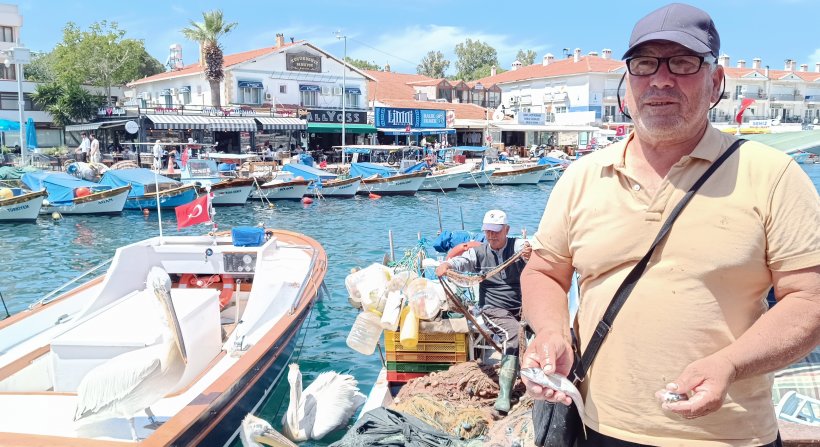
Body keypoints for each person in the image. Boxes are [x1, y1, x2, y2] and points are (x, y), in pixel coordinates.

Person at [520, 4, 820, 447]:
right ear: (628, 82)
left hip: (729, 437)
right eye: (644, 64)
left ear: (715, 82)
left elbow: (810, 301)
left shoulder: (771, 175)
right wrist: (551, 332)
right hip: (595, 428)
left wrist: (730, 364)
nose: (660, 79)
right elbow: (545, 270)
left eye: (682, 62)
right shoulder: (582, 176)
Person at [435, 210, 532, 414]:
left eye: (496, 231)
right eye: (487, 231)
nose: (491, 236)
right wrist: (447, 264)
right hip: (493, 308)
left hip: (524, 307)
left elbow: (532, 250)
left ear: (507, 229)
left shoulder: (517, 247)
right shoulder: (479, 252)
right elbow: (462, 261)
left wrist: (530, 254)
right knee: (513, 333)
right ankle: (505, 395)